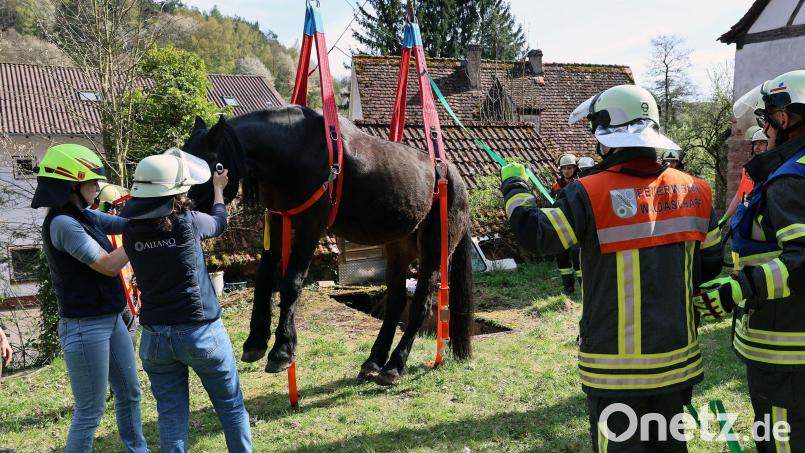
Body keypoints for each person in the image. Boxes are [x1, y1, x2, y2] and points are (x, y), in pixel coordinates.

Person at [501, 84, 723, 451]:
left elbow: (534, 234)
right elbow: (711, 264)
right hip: (677, 363)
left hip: (616, 371)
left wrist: (514, 185)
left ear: (606, 137)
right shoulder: (696, 190)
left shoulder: (587, 192)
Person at [695, 69, 805, 452]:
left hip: (786, 348)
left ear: (784, 118)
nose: (764, 130)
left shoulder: (790, 180)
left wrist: (739, 287)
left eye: (766, 120)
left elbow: (801, 261)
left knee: (781, 439)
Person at [121, 149, 252, 453]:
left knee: (171, 417)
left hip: (154, 338)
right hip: (200, 332)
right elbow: (219, 222)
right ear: (176, 192)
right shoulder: (189, 222)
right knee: (231, 407)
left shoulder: (129, 230)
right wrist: (218, 189)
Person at [30, 144, 149, 453]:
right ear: (72, 185)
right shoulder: (63, 224)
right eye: (92, 182)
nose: (97, 188)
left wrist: (154, 213)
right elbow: (108, 265)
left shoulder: (83, 215)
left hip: (111, 320)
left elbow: (125, 224)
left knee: (130, 394)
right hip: (84, 328)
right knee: (90, 411)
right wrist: (140, 237)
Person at [94, 183, 140, 348]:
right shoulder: (97, 231)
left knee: (130, 331)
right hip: (111, 295)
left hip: (128, 293)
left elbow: (132, 264)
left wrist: (137, 290)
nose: (113, 211)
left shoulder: (121, 230)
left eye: (116, 207)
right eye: (109, 207)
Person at [721, 127, 769, 227]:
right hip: (745, 214)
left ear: (768, 145)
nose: (757, 147)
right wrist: (726, 217)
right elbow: (740, 195)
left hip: (761, 216)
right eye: (755, 144)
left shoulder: (771, 168)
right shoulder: (747, 169)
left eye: (761, 143)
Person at [551, 154, 582, 294]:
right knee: (561, 255)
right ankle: (568, 287)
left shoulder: (580, 184)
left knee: (577, 256)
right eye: (563, 168)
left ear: (575, 169)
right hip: (561, 225)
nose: (566, 171)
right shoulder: (556, 186)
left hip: (577, 225)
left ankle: (584, 286)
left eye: (569, 168)